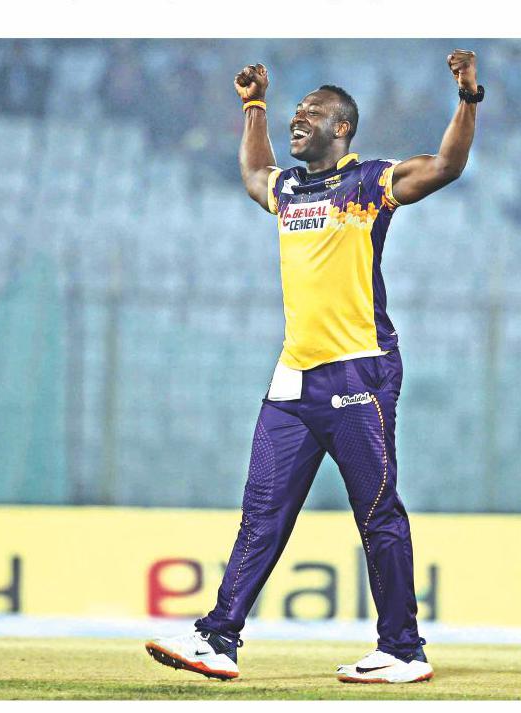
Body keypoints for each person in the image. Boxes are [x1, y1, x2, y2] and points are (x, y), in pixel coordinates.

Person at [145, 50, 482, 683]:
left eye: (312, 112)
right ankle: (218, 638)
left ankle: (402, 650)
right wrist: (254, 107)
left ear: (342, 127)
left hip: (358, 371)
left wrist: (467, 98)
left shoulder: (369, 183)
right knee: (261, 512)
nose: (298, 118)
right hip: (292, 376)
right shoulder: (290, 189)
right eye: (296, 111)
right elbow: (255, 173)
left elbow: (447, 165)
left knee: (377, 512)